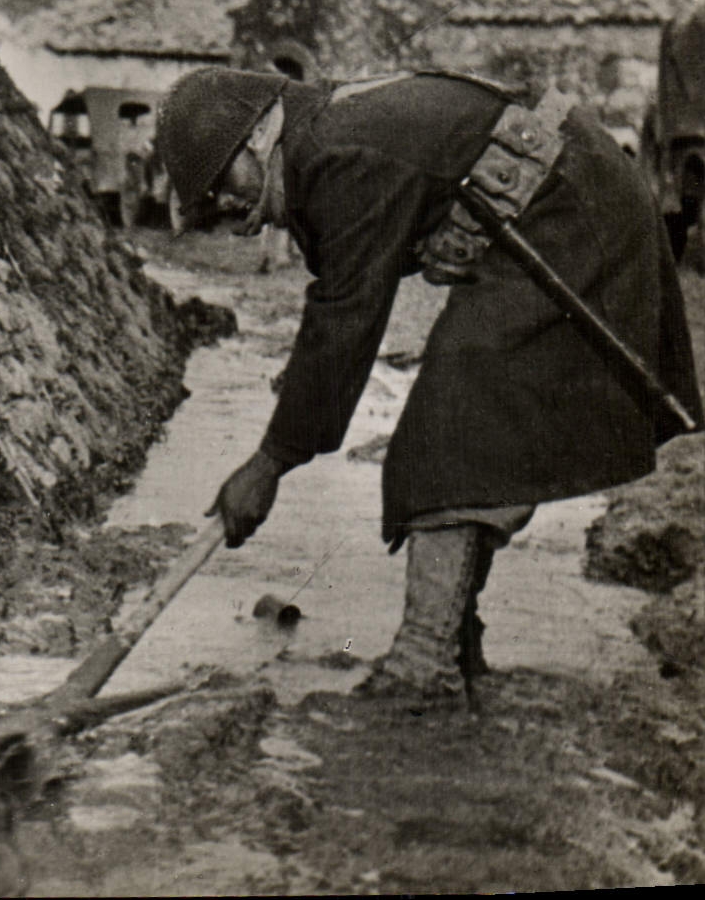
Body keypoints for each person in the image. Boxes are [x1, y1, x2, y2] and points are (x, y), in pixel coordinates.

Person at [156, 68, 702, 702]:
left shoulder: (337, 152)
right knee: (460, 416)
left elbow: (343, 319)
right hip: (545, 210)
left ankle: (425, 660)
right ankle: (454, 646)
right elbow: (341, 305)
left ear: (257, 139)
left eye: (222, 183)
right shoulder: (322, 135)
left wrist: (270, 463)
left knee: (453, 424)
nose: (223, 205)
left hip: (573, 213)